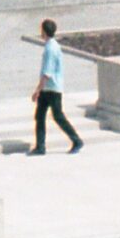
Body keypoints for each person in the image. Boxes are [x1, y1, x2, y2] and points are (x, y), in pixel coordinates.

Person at [31, 18, 82, 154]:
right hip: (48, 88)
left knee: (58, 116)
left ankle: (76, 140)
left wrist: (37, 90)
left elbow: (47, 73)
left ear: (44, 31)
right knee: (40, 116)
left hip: (52, 89)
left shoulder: (51, 49)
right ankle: (40, 146)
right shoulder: (51, 46)